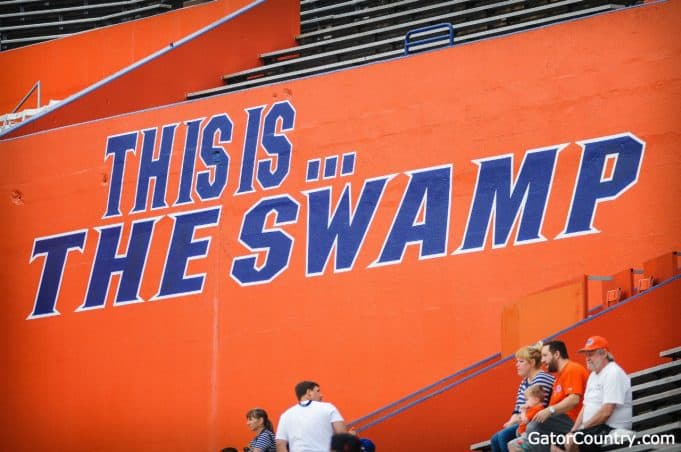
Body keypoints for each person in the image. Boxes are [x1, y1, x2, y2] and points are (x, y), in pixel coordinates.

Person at [560, 336, 632, 452]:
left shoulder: (613, 372)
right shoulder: (593, 375)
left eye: (591, 354)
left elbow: (606, 412)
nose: (587, 358)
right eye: (586, 354)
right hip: (595, 428)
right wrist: (573, 430)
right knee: (556, 444)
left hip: (611, 429)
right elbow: (585, 407)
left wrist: (581, 429)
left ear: (603, 354)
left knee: (573, 441)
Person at [524, 340, 589, 452]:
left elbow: (574, 399)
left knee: (534, 428)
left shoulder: (572, 369)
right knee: (522, 441)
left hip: (576, 421)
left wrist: (550, 410)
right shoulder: (558, 377)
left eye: (545, 355)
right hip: (562, 422)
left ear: (557, 354)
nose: (543, 360)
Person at [490, 343, 555, 452]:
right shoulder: (524, 382)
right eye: (517, 361)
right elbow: (517, 410)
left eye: (521, 361)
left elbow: (534, 408)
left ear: (532, 363)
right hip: (524, 422)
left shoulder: (541, 378)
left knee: (503, 437)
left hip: (536, 424)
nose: (517, 365)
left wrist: (515, 420)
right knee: (495, 439)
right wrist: (511, 421)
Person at [275, 380, 347, 452]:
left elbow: (280, 444)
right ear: (309, 392)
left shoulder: (286, 415)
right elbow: (342, 435)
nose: (321, 395)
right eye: (318, 391)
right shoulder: (328, 408)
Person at [507, 384, 546, 451]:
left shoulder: (536, 409)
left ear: (536, 400)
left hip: (527, 434)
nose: (526, 402)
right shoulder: (535, 408)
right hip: (524, 433)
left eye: (527, 399)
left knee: (511, 445)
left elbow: (525, 420)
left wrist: (523, 411)